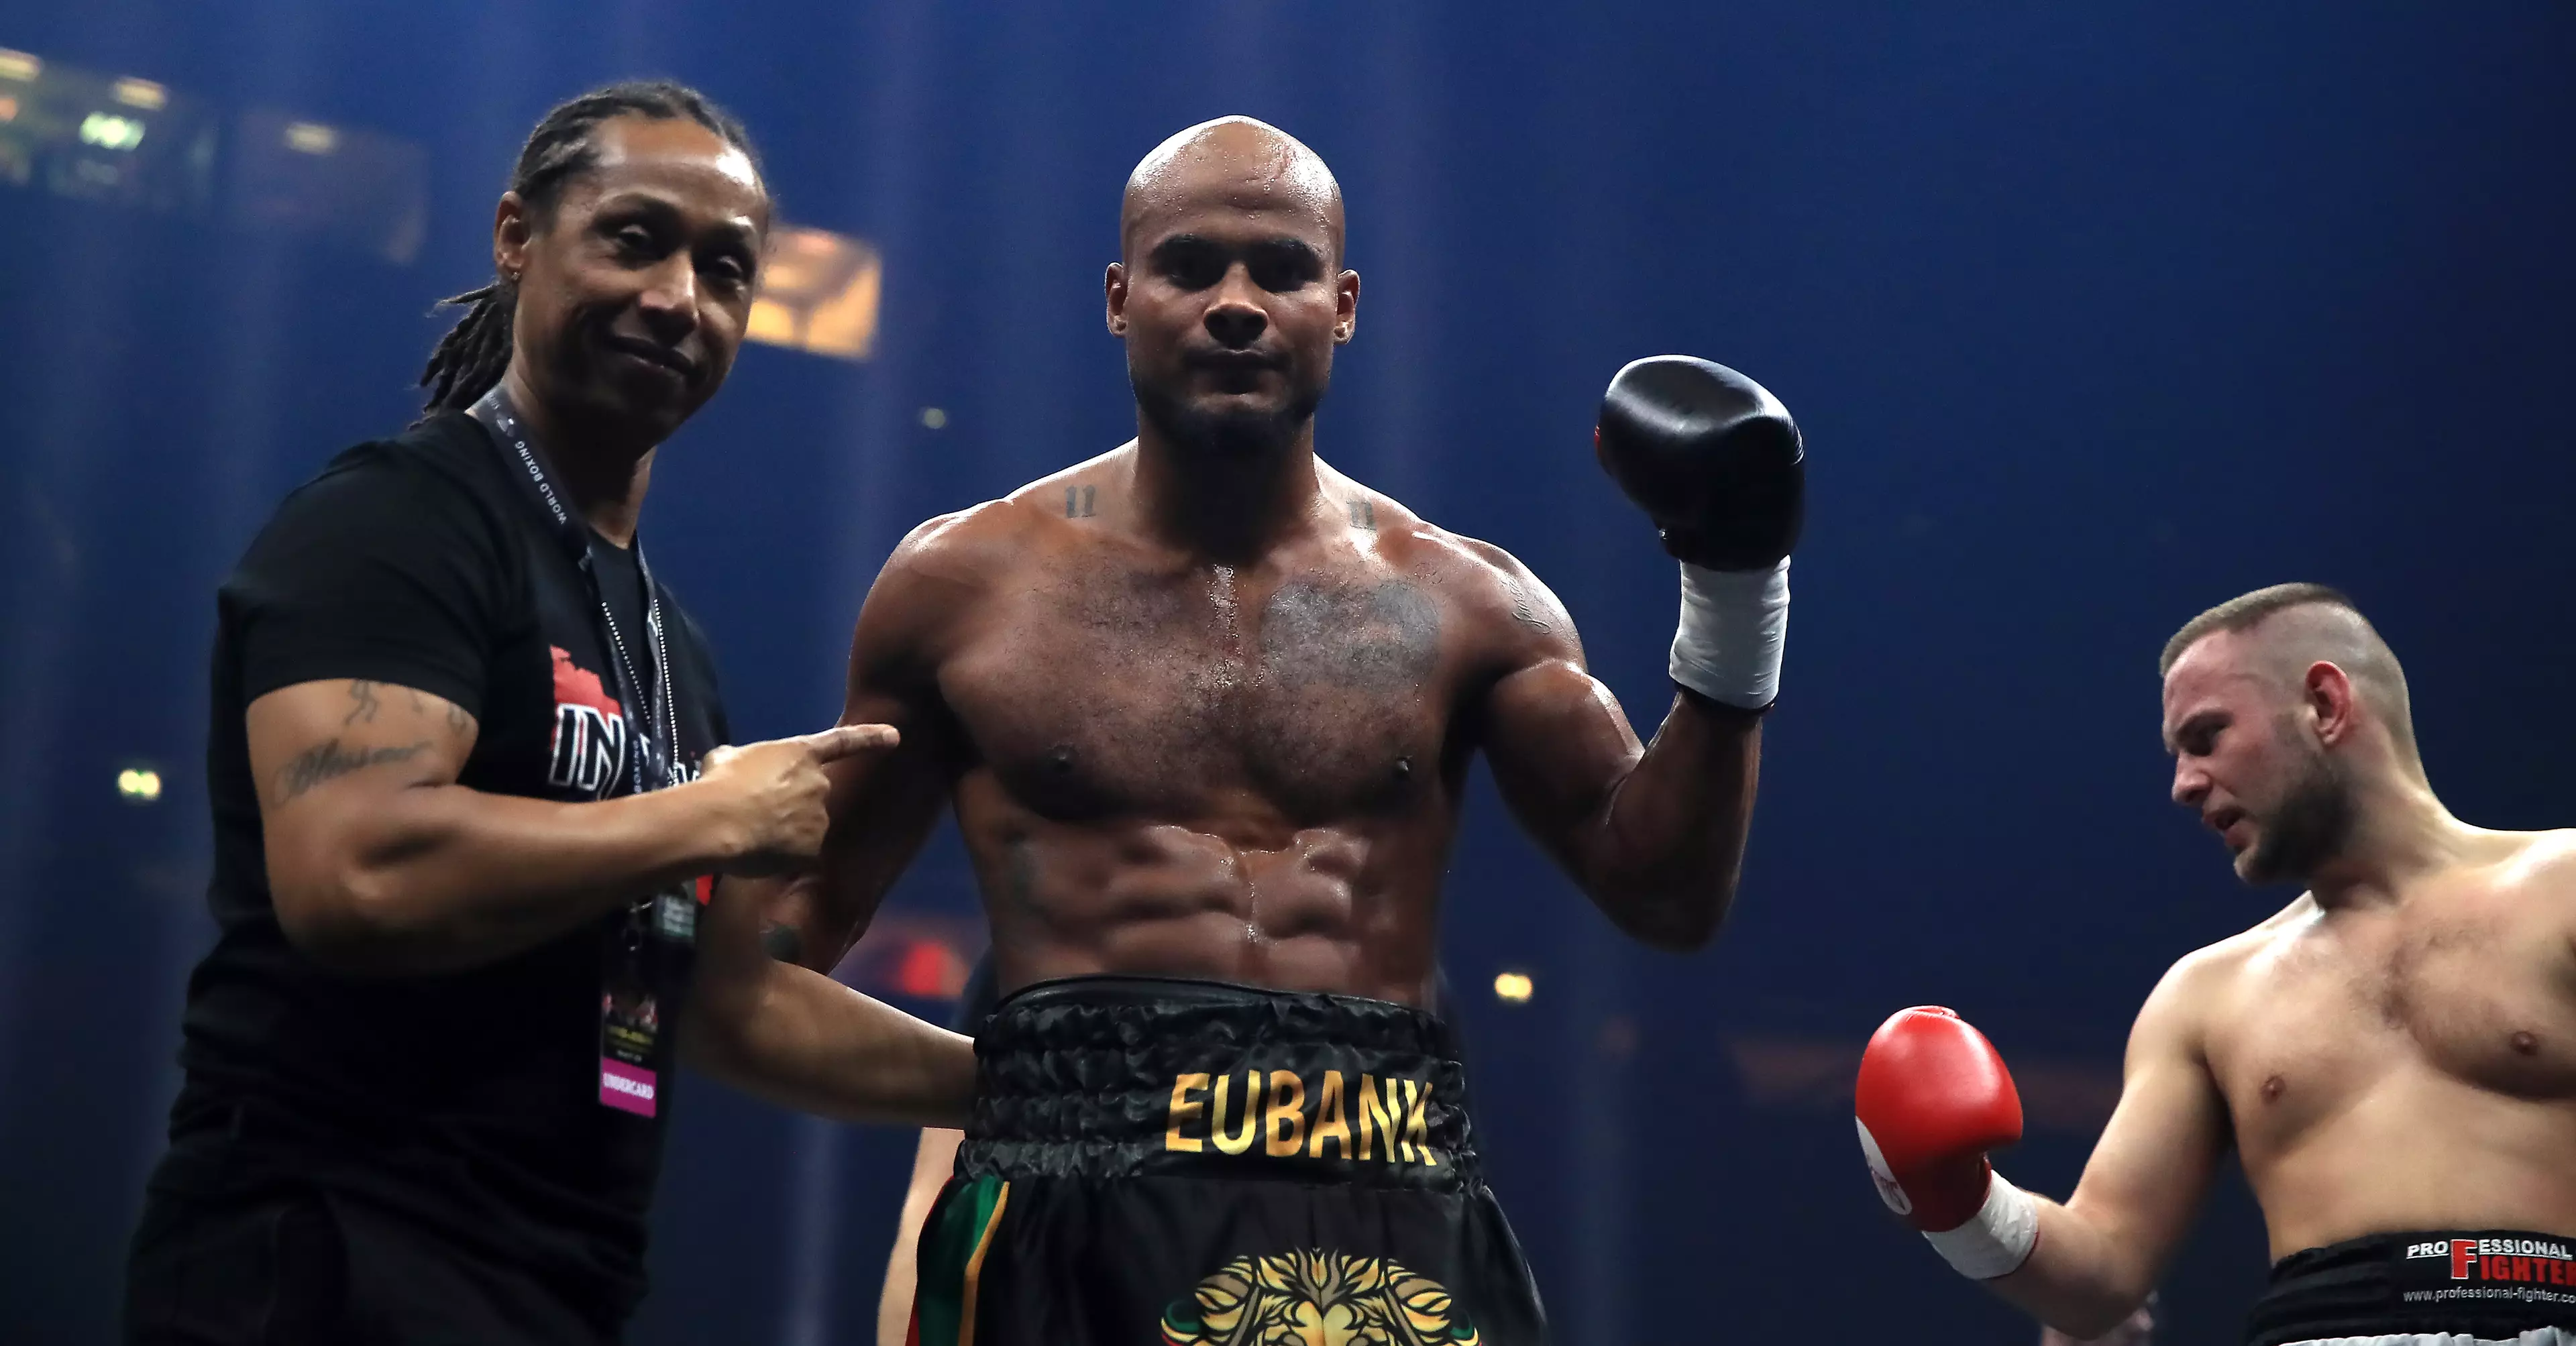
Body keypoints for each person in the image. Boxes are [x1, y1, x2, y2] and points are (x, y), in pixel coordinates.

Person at [762, 115, 1805, 1346]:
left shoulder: (1469, 601)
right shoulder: (961, 587)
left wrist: (1737, 588)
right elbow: (787, 933)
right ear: (1120, 296)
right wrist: (1000, 1078)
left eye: (1283, 269)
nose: (1238, 303)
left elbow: (1668, 896)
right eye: (1191, 265)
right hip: (1069, 1209)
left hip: (1388, 1212)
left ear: (1345, 303)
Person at [123, 82, 975, 1346]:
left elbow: (733, 1007)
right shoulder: (394, 524)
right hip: (325, 1255)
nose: (679, 295)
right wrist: (699, 818)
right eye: (635, 238)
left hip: (549, 1280)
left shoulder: (660, 638)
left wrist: (1034, 1087)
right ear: (518, 236)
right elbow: (353, 871)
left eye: (725, 268)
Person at [1851, 583, 2576, 1346]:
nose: (2184, 784)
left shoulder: (2561, 892)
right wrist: (1961, 1206)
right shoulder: (2207, 995)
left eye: (2207, 737)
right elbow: (2102, 1271)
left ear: (2325, 704)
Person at [870, 962, 1475, 1345]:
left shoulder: (1397, 980)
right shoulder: (1052, 957)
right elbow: (934, 1192)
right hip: (1092, 1279)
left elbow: (1441, 1213)